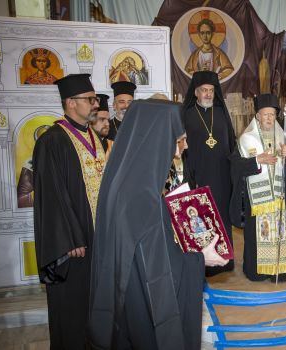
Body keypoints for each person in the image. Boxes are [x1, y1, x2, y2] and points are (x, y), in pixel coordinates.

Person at [88, 99, 228, 350]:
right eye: (178, 140)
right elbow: (160, 273)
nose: (181, 149)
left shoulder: (125, 183)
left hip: (128, 302)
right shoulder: (140, 197)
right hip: (142, 310)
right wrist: (199, 258)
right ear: (157, 139)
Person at [33, 73, 105, 349]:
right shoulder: (53, 141)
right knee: (72, 310)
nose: (95, 104)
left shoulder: (94, 137)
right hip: (74, 246)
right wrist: (70, 239)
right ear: (70, 103)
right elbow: (51, 197)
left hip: (97, 240)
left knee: (94, 308)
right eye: (90, 99)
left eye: (95, 98)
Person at [229, 94, 286, 282]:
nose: (269, 118)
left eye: (272, 115)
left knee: (279, 235)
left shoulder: (282, 136)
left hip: (278, 197)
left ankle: (278, 270)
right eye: (265, 114)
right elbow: (234, 166)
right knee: (257, 236)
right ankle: (257, 272)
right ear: (257, 116)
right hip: (257, 201)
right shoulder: (246, 139)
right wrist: (257, 160)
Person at [182, 70, 236, 276]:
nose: (207, 94)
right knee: (201, 222)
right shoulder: (186, 114)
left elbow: (231, 143)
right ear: (195, 92)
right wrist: (189, 178)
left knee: (221, 218)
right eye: (203, 90)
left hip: (222, 177)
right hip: (199, 177)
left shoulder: (222, 113)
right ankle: (204, 264)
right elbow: (183, 149)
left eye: (211, 90)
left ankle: (225, 260)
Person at [90, 93, 113, 158]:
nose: (107, 124)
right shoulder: (81, 145)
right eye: (102, 119)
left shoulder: (113, 146)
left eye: (108, 120)